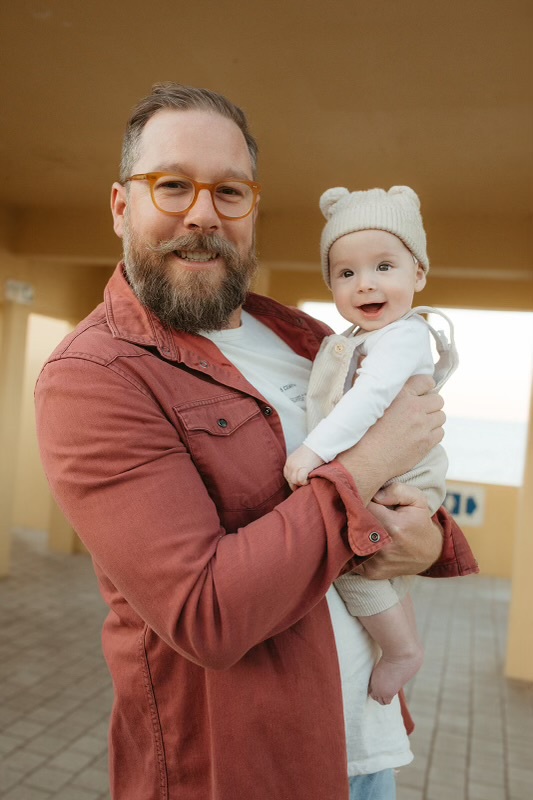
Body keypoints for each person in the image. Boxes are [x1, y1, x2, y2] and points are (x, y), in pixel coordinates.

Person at [35, 83, 478, 800]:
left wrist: (424, 542)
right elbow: (206, 614)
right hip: (241, 767)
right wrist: (368, 465)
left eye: (229, 192)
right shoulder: (95, 375)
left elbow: (400, 496)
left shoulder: (311, 338)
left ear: (252, 208)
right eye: (172, 185)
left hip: (365, 748)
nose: (203, 213)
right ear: (122, 206)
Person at [285, 185, 459, 709]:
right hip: (392, 468)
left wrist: (313, 452)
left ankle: (401, 649)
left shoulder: (403, 336)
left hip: (402, 472)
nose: (365, 284)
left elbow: (371, 398)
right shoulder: (362, 337)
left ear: (419, 274)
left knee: (351, 563)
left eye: (384, 266)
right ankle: (406, 643)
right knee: (384, 562)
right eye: (346, 273)